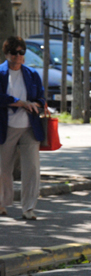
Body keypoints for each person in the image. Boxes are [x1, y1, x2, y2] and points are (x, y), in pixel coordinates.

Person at [0, 36, 45, 220]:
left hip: (29, 127)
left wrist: (36, 104)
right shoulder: (1, 73)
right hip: (6, 126)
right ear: (6, 54)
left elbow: (41, 97)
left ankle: (28, 208)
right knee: (3, 168)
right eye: (14, 53)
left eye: (21, 52)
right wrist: (19, 102)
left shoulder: (32, 74)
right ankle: (2, 203)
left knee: (32, 169)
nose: (18, 56)